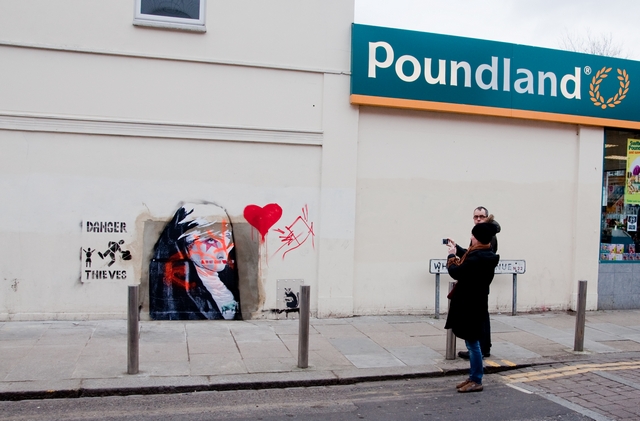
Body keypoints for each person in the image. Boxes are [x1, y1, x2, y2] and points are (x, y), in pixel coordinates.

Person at [444, 222, 500, 393]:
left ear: (478, 238)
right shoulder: (486, 254)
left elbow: (456, 271)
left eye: (473, 236)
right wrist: (457, 248)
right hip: (477, 303)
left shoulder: (477, 258)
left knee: (473, 344)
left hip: (469, 304)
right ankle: (473, 377)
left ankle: (476, 379)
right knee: (472, 342)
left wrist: (451, 256)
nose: (471, 238)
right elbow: (469, 256)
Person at [448, 206, 500, 359]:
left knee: (479, 321)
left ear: (487, 218)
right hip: (478, 287)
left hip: (475, 287)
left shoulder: (487, 236)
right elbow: (472, 255)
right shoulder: (480, 234)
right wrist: (457, 248)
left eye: (481, 217)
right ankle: (481, 348)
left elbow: (477, 259)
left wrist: (452, 257)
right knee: (480, 318)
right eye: (475, 216)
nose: (478, 219)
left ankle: (481, 350)